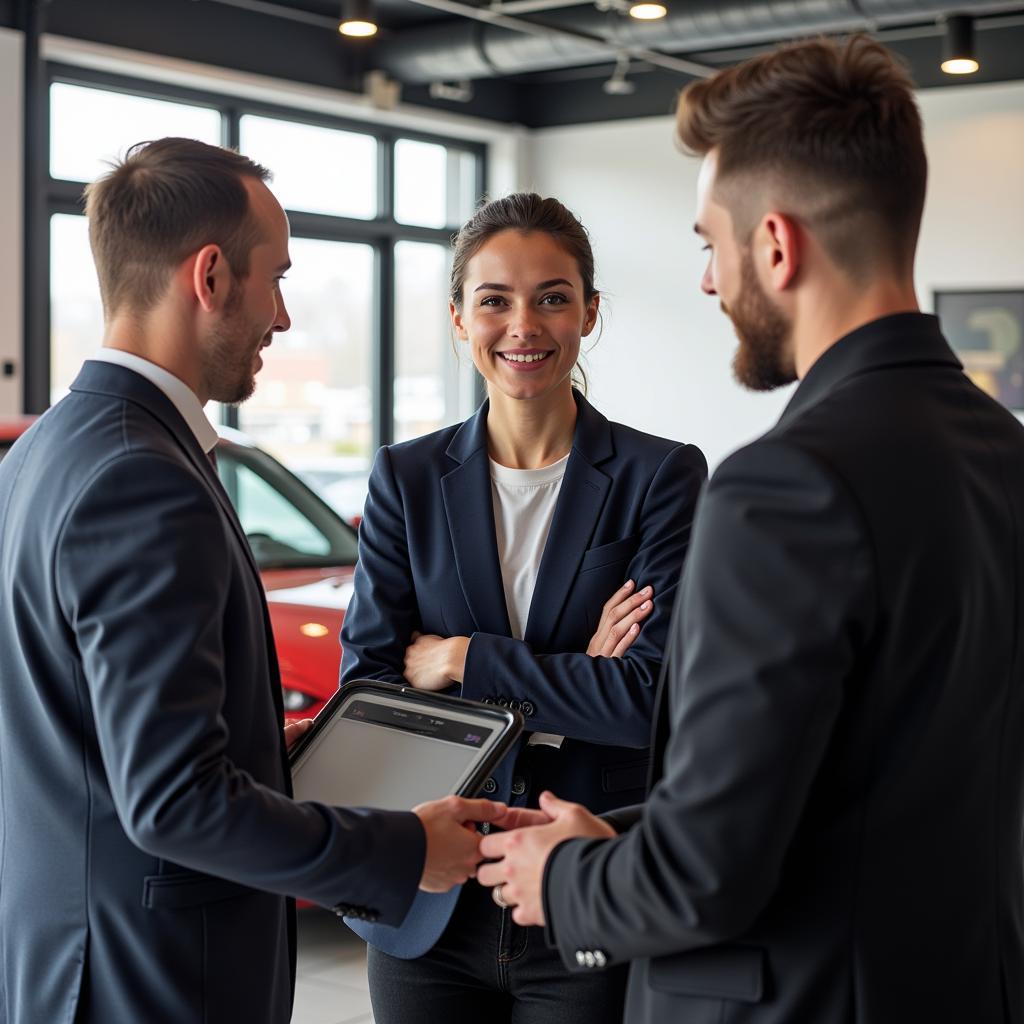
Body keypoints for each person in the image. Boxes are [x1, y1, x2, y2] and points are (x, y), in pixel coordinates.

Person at [477, 36, 1024, 1024]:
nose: (707, 282)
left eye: (707, 244)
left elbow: (707, 876)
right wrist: (625, 837)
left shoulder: (784, 487)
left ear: (774, 245)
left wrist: (559, 877)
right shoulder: (1000, 449)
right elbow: (863, 789)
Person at [0, 138, 505, 1024]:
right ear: (209, 276)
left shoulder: (46, 450)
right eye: (275, 277)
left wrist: (262, 740)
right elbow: (174, 803)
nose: (283, 316)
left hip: (72, 955)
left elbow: (79, 726)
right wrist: (404, 848)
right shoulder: (142, 476)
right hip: (151, 979)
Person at [339, 192, 707, 1024]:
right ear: (459, 319)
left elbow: (652, 702)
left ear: (590, 312)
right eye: (495, 300)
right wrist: (578, 673)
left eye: (552, 296)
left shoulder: (662, 479)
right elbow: (369, 695)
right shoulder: (406, 479)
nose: (523, 326)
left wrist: (463, 660)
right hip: (427, 903)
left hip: (580, 894)